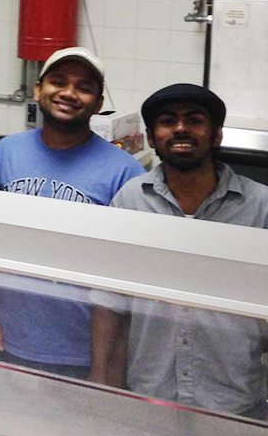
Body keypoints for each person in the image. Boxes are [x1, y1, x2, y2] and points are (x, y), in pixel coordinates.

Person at [90, 84, 268, 418]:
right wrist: (101, 383)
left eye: (194, 120)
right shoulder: (130, 202)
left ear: (216, 135)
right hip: (149, 394)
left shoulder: (260, 207)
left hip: (234, 401)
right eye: (168, 121)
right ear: (152, 138)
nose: (181, 128)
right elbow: (109, 302)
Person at [0, 47, 144, 378]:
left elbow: (124, 280)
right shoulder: (7, 151)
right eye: (58, 81)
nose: (69, 92)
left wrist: (105, 367)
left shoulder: (124, 171)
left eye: (84, 87)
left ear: (97, 103)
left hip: (82, 350)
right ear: (39, 90)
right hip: (8, 337)